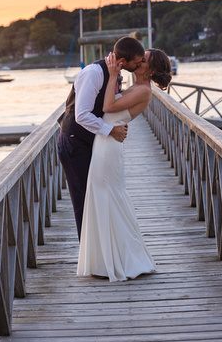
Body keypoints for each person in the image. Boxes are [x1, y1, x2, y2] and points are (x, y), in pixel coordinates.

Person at [77, 48, 172, 282]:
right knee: (101, 196)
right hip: (105, 141)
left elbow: (108, 107)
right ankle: (104, 261)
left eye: (144, 59)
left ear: (149, 68)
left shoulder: (142, 91)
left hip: (108, 146)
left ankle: (121, 260)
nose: (139, 60)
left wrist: (111, 75)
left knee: (108, 196)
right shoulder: (133, 86)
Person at [57, 36, 146, 240]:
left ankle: (101, 252)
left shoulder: (116, 75)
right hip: (74, 141)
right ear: (123, 62)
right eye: (138, 62)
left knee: (96, 198)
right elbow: (82, 115)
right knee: (83, 201)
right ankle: (90, 259)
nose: (140, 65)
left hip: (91, 142)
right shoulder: (93, 73)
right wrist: (110, 130)